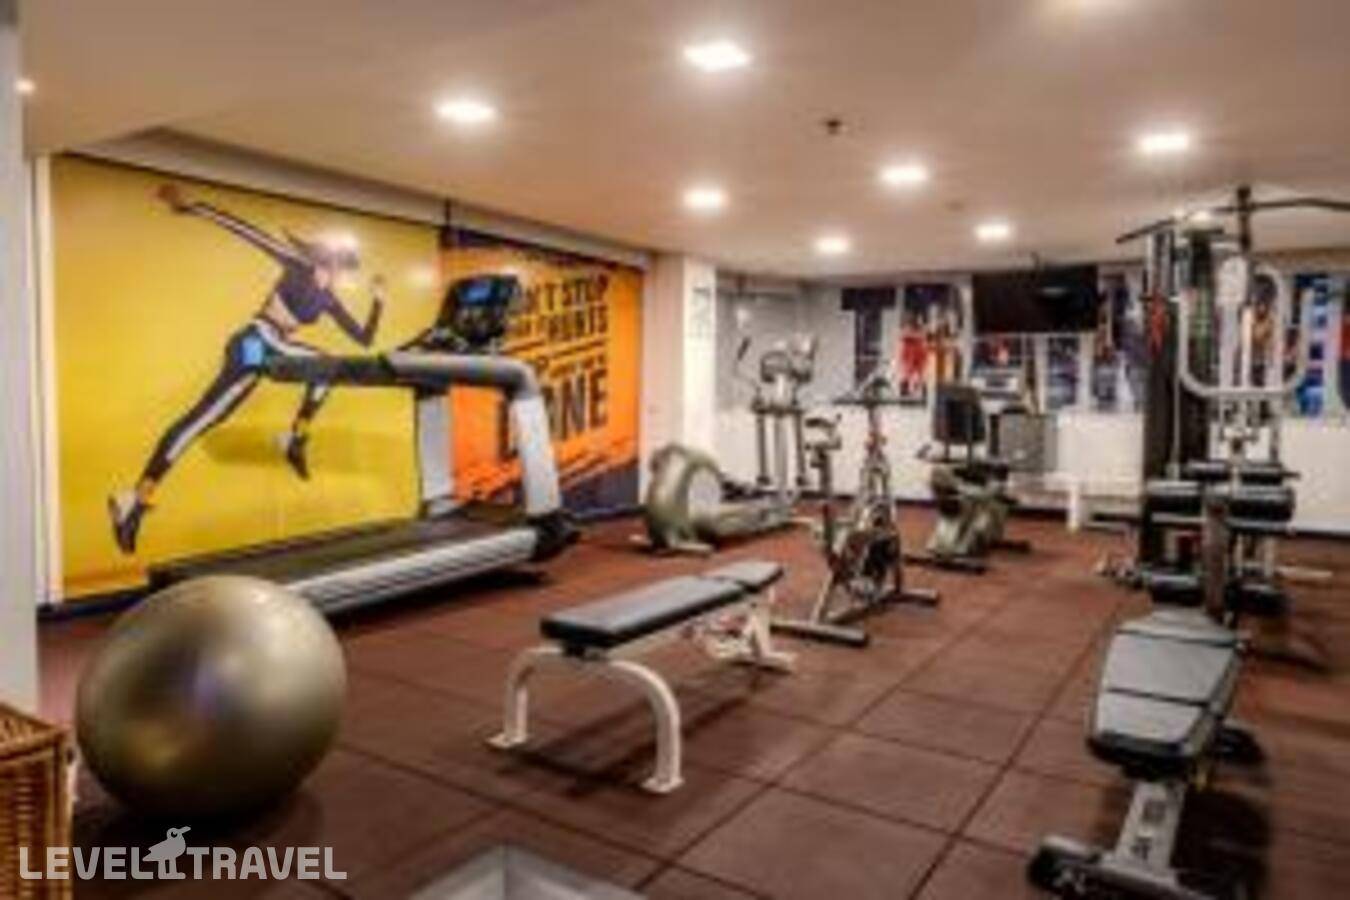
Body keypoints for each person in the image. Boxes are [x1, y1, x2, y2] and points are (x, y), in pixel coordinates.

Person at [108, 184, 386, 554]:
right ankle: (136, 500)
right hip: (254, 341)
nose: (336, 273)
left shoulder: (328, 300)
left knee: (316, 376)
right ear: (324, 258)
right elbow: (245, 231)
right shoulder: (297, 266)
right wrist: (192, 207)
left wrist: (378, 300)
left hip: (267, 349)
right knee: (204, 418)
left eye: (343, 269)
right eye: (336, 264)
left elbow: (364, 340)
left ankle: (294, 439)